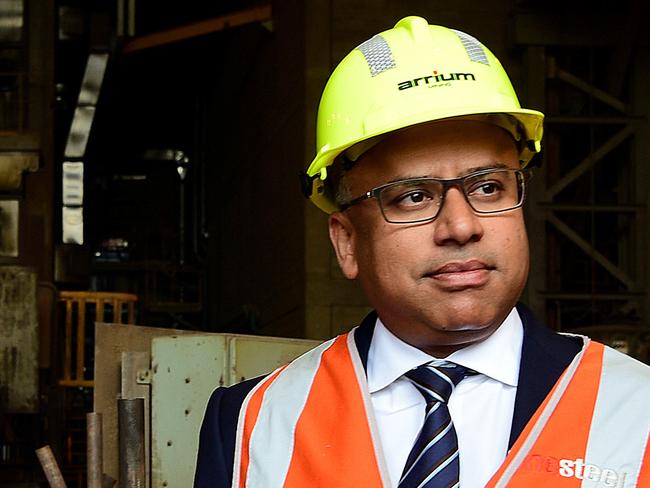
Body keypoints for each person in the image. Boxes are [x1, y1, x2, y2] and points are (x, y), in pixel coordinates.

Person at [195, 16, 650, 488]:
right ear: (346, 242)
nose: (462, 225)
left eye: (489, 187)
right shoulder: (252, 425)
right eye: (413, 196)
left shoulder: (637, 410)